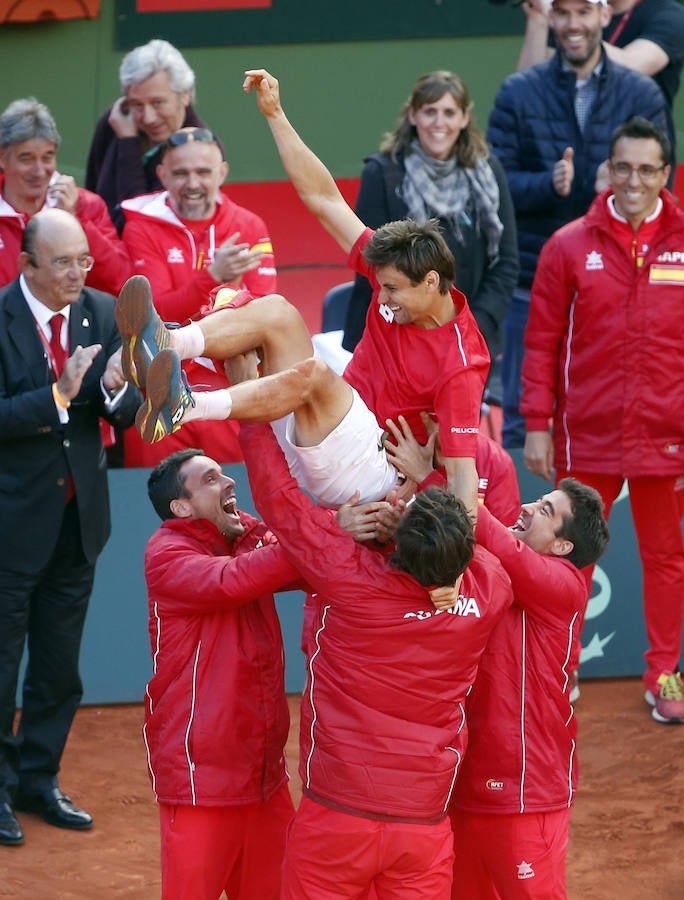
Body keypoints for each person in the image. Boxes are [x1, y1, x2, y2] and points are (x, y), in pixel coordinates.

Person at [116, 67, 490, 520]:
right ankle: (165, 343)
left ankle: (187, 406)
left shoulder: (462, 363)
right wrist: (275, 113)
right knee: (276, 311)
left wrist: (455, 572)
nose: (382, 298)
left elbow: (464, 476)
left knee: (314, 373)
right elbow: (323, 198)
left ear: (431, 282)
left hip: (370, 472)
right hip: (322, 429)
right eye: (381, 286)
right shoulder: (393, 272)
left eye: (392, 290)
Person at [237, 419, 513, 898]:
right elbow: (469, 548)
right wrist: (424, 485)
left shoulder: (346, 574)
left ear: (399, 544)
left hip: (335, 821)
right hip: (422, 827)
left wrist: (252, 416)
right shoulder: (490, 589)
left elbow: (277, 499)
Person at [521, 116, 684, 724]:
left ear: (665, 174)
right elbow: (540, 342)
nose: (635, 179)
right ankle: (555, 672)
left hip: (667, 435)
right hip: (585, 433)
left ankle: (665, 675)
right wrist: (536, 422)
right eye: (625, 167)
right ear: (608, 171)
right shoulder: (568, 245)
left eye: (648, 169)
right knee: (570, 556)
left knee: (668, 557)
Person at [0, 208, 141, 847]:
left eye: (83, 259)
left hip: (78, 522)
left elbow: (131, 407)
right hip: (9, 524)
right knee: (1, 667)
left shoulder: (106, 313)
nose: (77, 274)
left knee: (59, 667)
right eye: (62, 262)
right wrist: (56, 397)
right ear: (27, 265)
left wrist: (114, 388)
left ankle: (39, 780)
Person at [486, 0, 668, 448]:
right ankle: (521, 519)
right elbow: (495, 182)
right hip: (529, 282)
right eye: (563, 12)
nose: (574, 24)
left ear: (605, 17)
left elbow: (661, 180)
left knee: (607, 419)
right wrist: (548, 184)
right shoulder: (517, 92)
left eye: (584, 12)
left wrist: (618, 189)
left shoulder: (642, 94)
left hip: (615, 282)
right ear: (550, 18)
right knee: (521, 426)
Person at [143, 447, 302, 899]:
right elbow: (234, 580)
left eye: (224, 474)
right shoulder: (167, 554)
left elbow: (310, 564)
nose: (230, 482)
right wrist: (306, 541)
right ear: (182, 507)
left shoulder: (243, 535)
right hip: (201, 783)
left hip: (265, 778)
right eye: (211, 479)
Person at [448, 482, 609, 898]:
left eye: (546, 510)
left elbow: (498, 542)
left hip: (525, 796)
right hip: (462, 786)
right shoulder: (488, 566)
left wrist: (442, 473)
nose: (527, 506)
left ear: (561, 547)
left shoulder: (564, 584)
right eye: (539, 499)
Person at [341, 70, 519, 406]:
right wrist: (421, 329)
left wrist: (466, 327)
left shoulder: (489, 171)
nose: (440, 123)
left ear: (465, 117)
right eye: (430, 111)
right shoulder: (383, 173)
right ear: (413, 115)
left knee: (450, 452)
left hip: (466, 339)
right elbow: (372, 264)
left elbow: (507, 263)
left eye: (449, 112)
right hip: (393, 343)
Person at [119, 125, 276, 467]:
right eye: (180, 173)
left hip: (230, 380)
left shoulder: (249, 226)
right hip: (160, 380)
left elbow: (266, 316)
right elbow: (152, 315)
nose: (192, 184)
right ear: (162, 174)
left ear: (222, 172)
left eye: (203, 172)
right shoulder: (141, 226)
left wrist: (227, 296)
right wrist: (214, 279)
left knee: (238, 502)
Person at [516, 0, 684, 163]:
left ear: (605, 15)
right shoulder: (570, 12)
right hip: (570, 160)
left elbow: (632, 64)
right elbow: (528, 87)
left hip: (637, 164)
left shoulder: (668, 14)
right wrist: (538, 16)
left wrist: (571, 31)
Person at [0, 97, 132, 296]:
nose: (39, 171)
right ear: (3, 158)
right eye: (26, 158)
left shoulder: (86, 205)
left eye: (47, 157)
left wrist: (75, 220)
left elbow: (119, 282)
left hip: (71, 325)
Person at [86, 39, 214, 232]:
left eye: (157, 103)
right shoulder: (116, 120)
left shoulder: (201, 146)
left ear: (185, 95)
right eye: (137, 104)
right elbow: (92, 195)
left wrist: (127, 142)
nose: (148, 118)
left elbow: (143, 222)